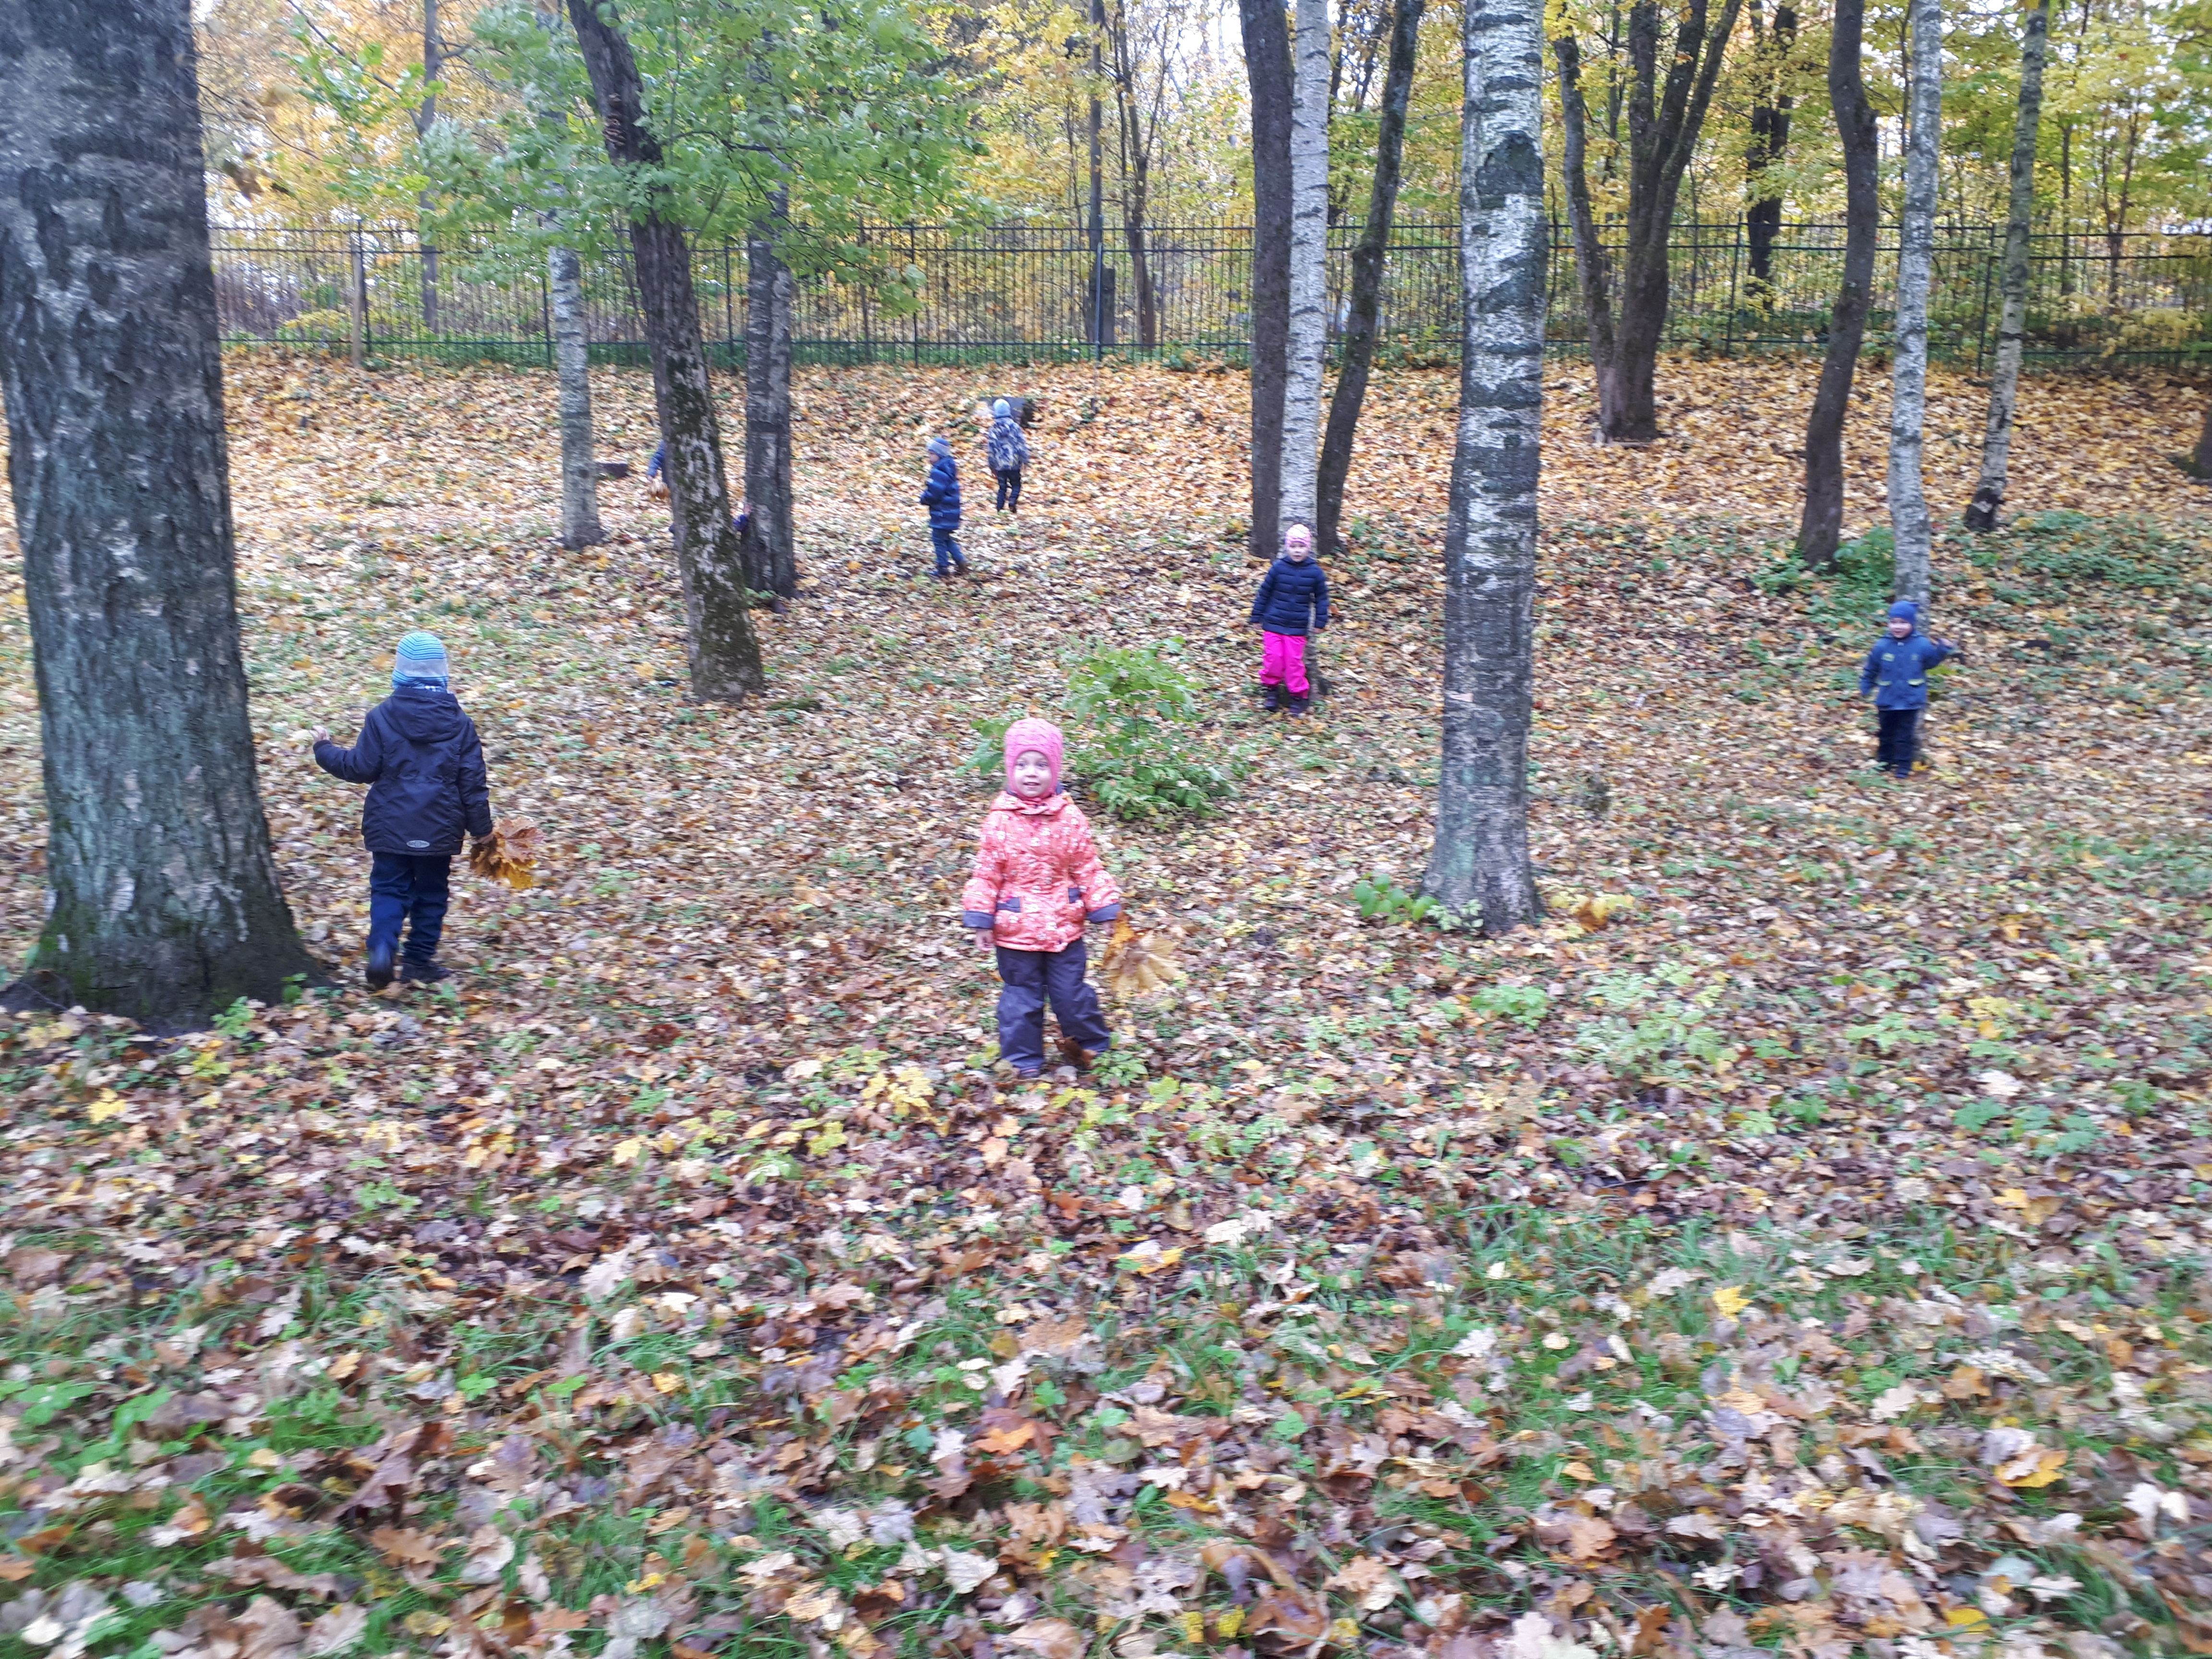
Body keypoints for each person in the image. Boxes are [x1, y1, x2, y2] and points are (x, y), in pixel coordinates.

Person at [310, 632, 495, 990]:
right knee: (431, 893)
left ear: (400, 674)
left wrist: (324, 749)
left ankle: (382, 950)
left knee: (389, 889)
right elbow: (472, 784)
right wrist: (482, 831)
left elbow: (359, 768)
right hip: (439, 828)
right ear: (443, 674)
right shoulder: (460, 724)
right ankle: (418, 961)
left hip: (390, 825)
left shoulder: (381, 717)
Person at [962, 719, 1120, 1079]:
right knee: (1021, 1000)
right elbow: (987, 873)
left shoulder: (1070, 818)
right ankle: (1023, 1059)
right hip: (1015, 932)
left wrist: (1104, 907)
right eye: (1022, 765)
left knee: (1072, 995)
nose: (1031, 774)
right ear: (1010, 768)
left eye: (1041, 765)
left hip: (1065, 928)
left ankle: (1093, 1045)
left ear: (1055, 769)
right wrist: (980, 918)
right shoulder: (998, 822)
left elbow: (1088, 867)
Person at [1859, 600, 1957, 780]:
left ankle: (1904, 765)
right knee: (1885, 733)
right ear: (1888, 624)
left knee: (1905, 735)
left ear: (1912, 624)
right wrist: (1866, 684)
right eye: (1894, 622)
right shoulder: (1882, 645)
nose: (1898, 627)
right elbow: (1872, 668)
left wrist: (1943, 650)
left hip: (1910, 700)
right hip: (1887, 698)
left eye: (1903, 623)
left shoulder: (1921, 644)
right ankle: (1885, 762)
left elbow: (1930, 662)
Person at [1249, 521, 1330, 714]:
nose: (1297, 551)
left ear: (1308, 549)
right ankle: (1272, 691)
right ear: (1287, 547)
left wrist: (1321, 622)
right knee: (1274, 658)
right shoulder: (1278, 568)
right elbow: (1264, 592)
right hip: (1274, 623)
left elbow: (1322, 598)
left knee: (1294, 662)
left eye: (1301, 546)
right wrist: (1256, 616)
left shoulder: (1315, 572)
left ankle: (1298, 696)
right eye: (1293, 546)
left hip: (1297, 626)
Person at [645, 441, 748, 536]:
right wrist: (651, 472)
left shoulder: (697, 443)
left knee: (694, 513)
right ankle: (680, 530)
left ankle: (680, 530)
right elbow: (658, 457)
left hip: (694, 486)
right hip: (676, 487)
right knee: (685, 511)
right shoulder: (670, 441)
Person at [921, 435, 966, 578]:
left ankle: (943, 568)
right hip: (950, 512)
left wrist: (924, 498)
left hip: (942, 513)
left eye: (932, 454)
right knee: (945, 538)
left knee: (938, 539)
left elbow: (935, 493)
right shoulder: (949, 468)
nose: (929, 457)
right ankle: (960, 560)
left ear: (940, 454)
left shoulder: (939, 472)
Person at [986, 399, 1030, 514]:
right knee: (1016, 484)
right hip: (1014, 463)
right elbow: (1021, 444)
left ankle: (999, 509)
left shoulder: (993, 429)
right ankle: (1012, 501)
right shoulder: (1015, 427)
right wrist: (1025, 460)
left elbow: (991, 449)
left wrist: (992, 466)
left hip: (1000, 465)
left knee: (1002, 487)